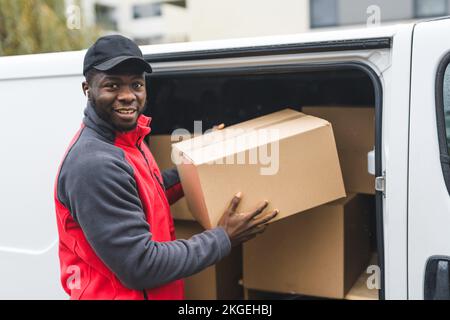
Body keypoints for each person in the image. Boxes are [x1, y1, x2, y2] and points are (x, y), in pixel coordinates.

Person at [54, 35, 278, 300]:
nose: (127, 96)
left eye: (136, 84)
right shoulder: (94, 164)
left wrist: (202, 158)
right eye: (112, 85)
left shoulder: (128, 142)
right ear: (87, 89)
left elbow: (151, 192)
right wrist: (223, 238)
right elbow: (141, 265)